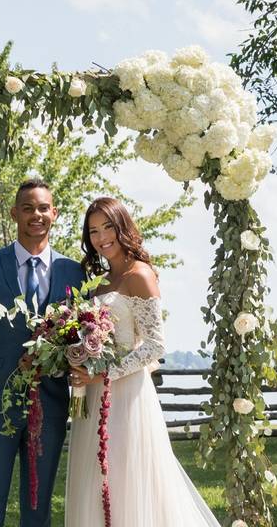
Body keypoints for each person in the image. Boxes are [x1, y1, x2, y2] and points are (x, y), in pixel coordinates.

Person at [65, 196, 222, 526]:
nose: (101, 237)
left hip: (126, 397)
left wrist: (102, 374)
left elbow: (154, 347)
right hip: (93, 396)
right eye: (93, 231)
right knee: (94, 484)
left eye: (107, 226)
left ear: (122, 226)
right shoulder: (101, 281)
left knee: (126, 483)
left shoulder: (140, 275)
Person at [0, 179, 87, 527]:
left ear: (55, 214)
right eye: (28, 208)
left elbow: (80, 337)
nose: (36, 215)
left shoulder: (74, 272)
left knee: (38, 511)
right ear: (15, 213)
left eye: (43, 208)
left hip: (51, 404)